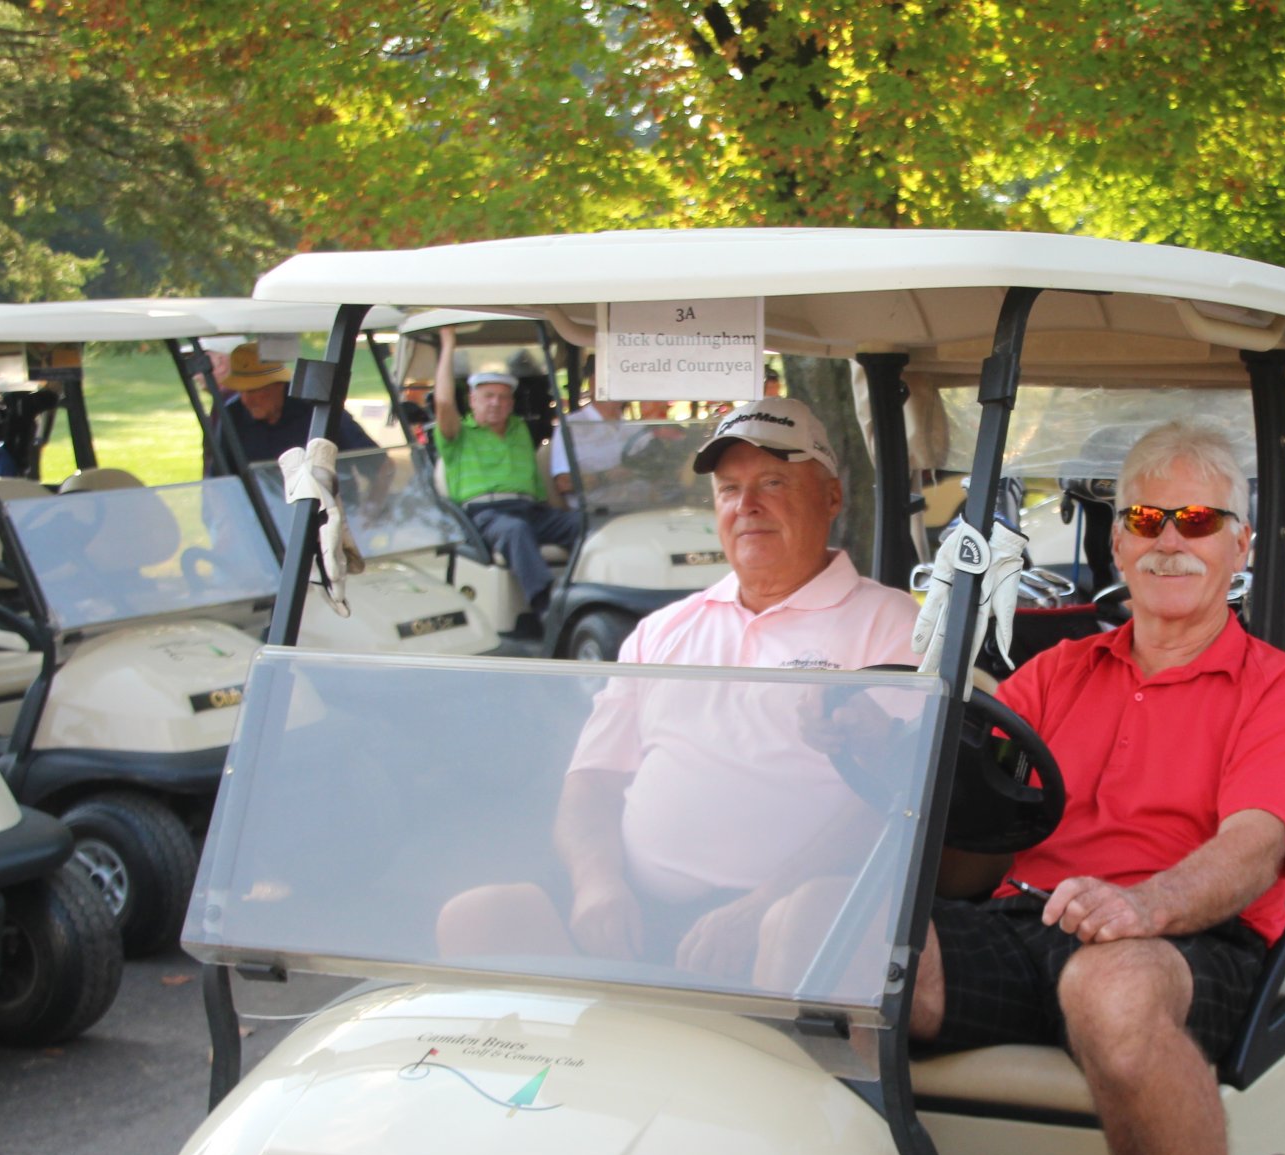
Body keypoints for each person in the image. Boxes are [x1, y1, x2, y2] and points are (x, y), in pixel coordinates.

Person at [913, 420, 1285, 1155]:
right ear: (1115, 540)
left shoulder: (1277, 686)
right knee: (848, 955)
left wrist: (1144, 905)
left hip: (1194, 935)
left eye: (1199, 520)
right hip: (1037, 920)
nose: (1169, 539)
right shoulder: (1057, 675)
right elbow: (974, 838)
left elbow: (1253, 846)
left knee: (1110, 985)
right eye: (1147, 517)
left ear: (1240, 545)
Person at [437, 397, 918, 973]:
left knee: (801, 932)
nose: (746, 505)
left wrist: (760, 906)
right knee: (478, 918)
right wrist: (596, 883)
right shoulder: (662, 629)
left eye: (772, 483)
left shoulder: (891, 624)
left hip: (782, 913)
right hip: (632, 907)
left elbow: (895, 799)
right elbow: (591, 782)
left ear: (831, 497)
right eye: (729, 489)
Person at [432, 324, 581, 614]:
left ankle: (587, 594)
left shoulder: (518, 430)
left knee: (584, 525)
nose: (496, 403)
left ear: (512, 403)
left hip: (532, 511)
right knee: (516, 531)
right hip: (487, 514)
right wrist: (448, 344)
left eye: (503, 397)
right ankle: (547, 608)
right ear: (472, 400)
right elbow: (443, 402)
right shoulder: (458, 436)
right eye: (488, 396)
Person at [209, 342, 372, 474]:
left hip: (326, 503)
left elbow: (376, 464)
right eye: (241, 391)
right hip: (259, 505)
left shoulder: (318, 410)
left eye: (253, 391)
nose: (246, 400)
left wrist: (371, 504)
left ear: (279, 385)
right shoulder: (233, 416)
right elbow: (220, 479)